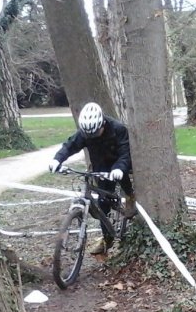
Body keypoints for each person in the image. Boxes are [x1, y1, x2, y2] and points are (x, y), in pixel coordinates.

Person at [49, 102, 136, 254]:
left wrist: (119, 168)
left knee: (123, 180)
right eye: (89, 135)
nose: (92, 137)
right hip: (100, 165)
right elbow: (71, 145)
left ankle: (130, 196)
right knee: (103, 203)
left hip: (118, 162)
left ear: (102, 123)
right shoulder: (86, 132)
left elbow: (125, 153)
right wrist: (58, 159)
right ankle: (107, 239)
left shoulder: (118, 129)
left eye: (95, 134)